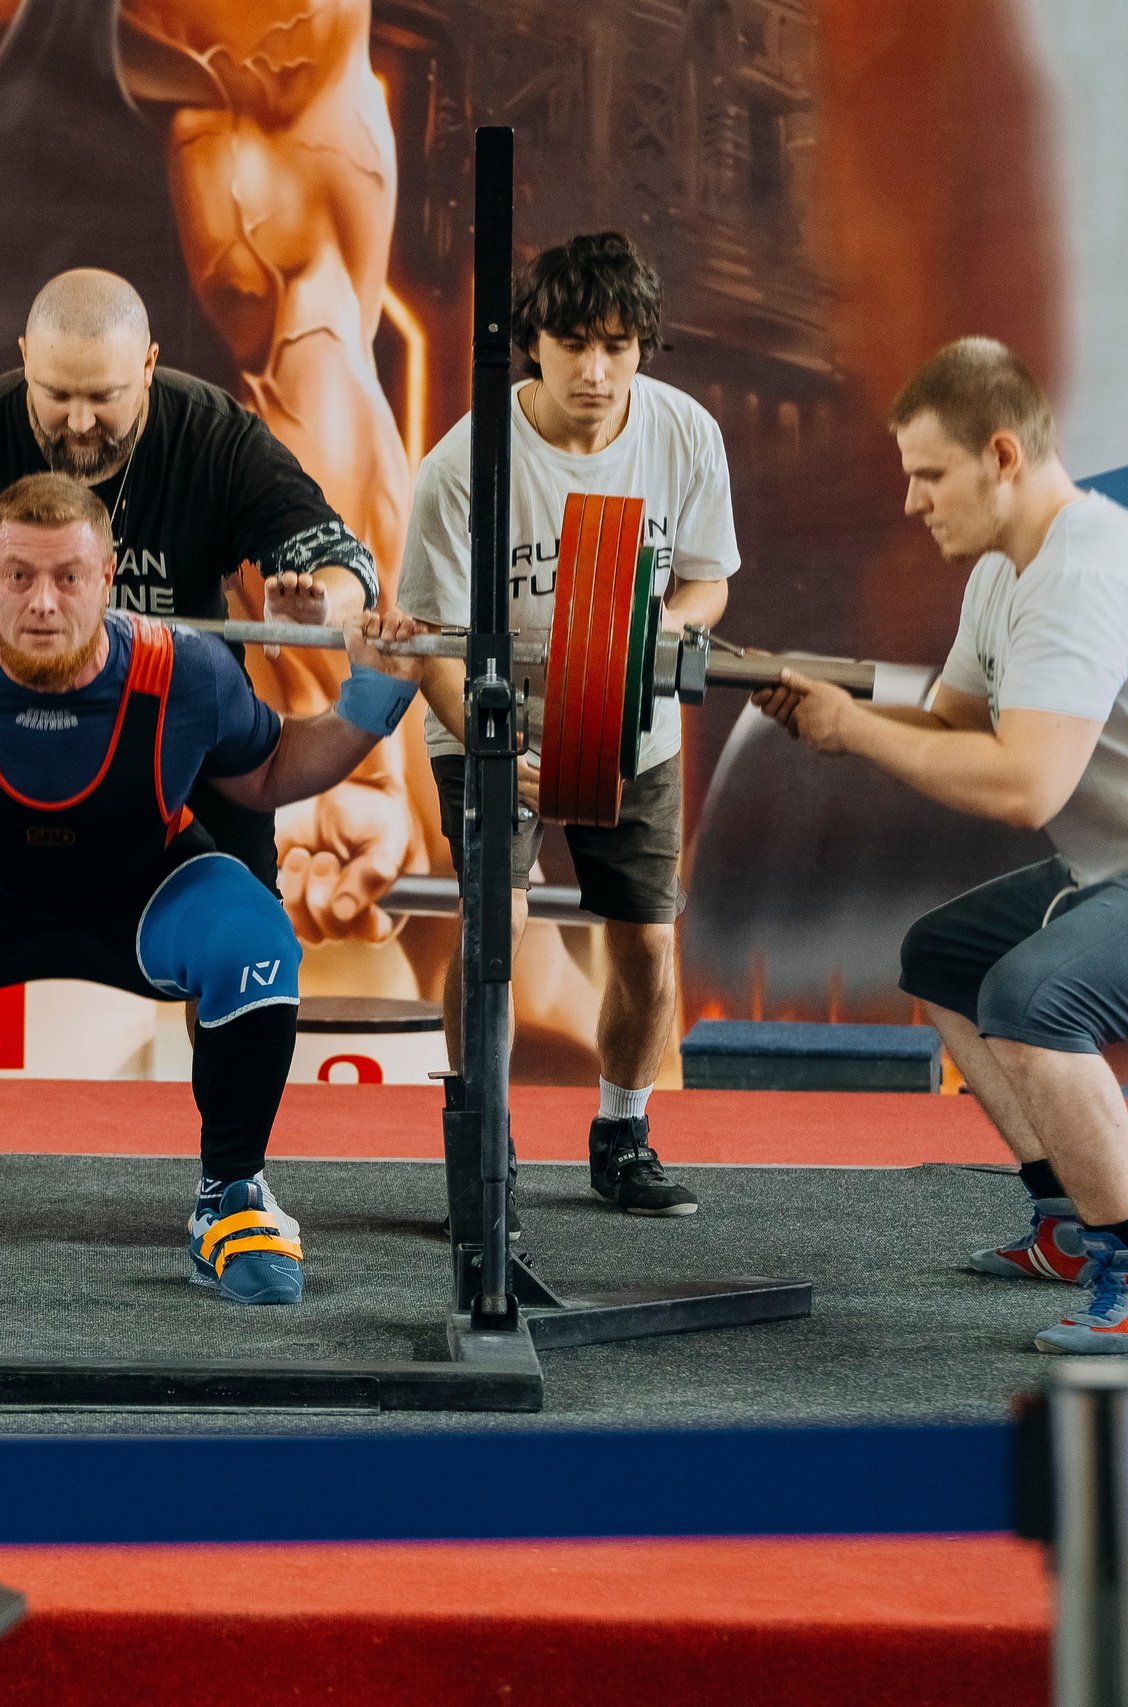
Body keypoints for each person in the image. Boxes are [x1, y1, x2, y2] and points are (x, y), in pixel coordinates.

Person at [753, 338, 1128, 1354]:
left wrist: (852, 733)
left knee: (1032, 999)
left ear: (1002, 456)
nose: (912, 502)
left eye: (929, 475)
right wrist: (819, 696)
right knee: (944, 958)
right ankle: (1067, 1225)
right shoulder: (1002, 574)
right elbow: (949, 724)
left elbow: (1023, 784)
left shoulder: (1089, 571)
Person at [0, 474, 426, 1305]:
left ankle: (232, 1196)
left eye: (68, 577)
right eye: (19, 576)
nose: (44, 603)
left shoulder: (187, 669)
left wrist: (375, 694)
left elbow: (272, 771)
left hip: (142, 900)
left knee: (256, 938)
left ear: (109, 577)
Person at [0, 268, 383, 1230]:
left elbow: (337, 558)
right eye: (55, 395)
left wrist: (319, 599)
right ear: (23, 364)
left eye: (104, 397)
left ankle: (228, 1179)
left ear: (148, 366)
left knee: (236, 931)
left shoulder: (215, 436)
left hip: (174, 744)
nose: (76, 421)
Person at [397, 233, 739, 1218]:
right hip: (490, 715)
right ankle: (483, 1145)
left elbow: (707, 583)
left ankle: (622, 1134)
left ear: (644, 346)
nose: (595, 371)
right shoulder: (465, 464)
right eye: (572, 343)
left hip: (632, 723)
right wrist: (504, 751)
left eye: (618, 346)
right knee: (490, 932)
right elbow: (426, 641)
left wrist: (658, 629)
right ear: (530, 342)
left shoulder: (683, 435)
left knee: (642, 942)